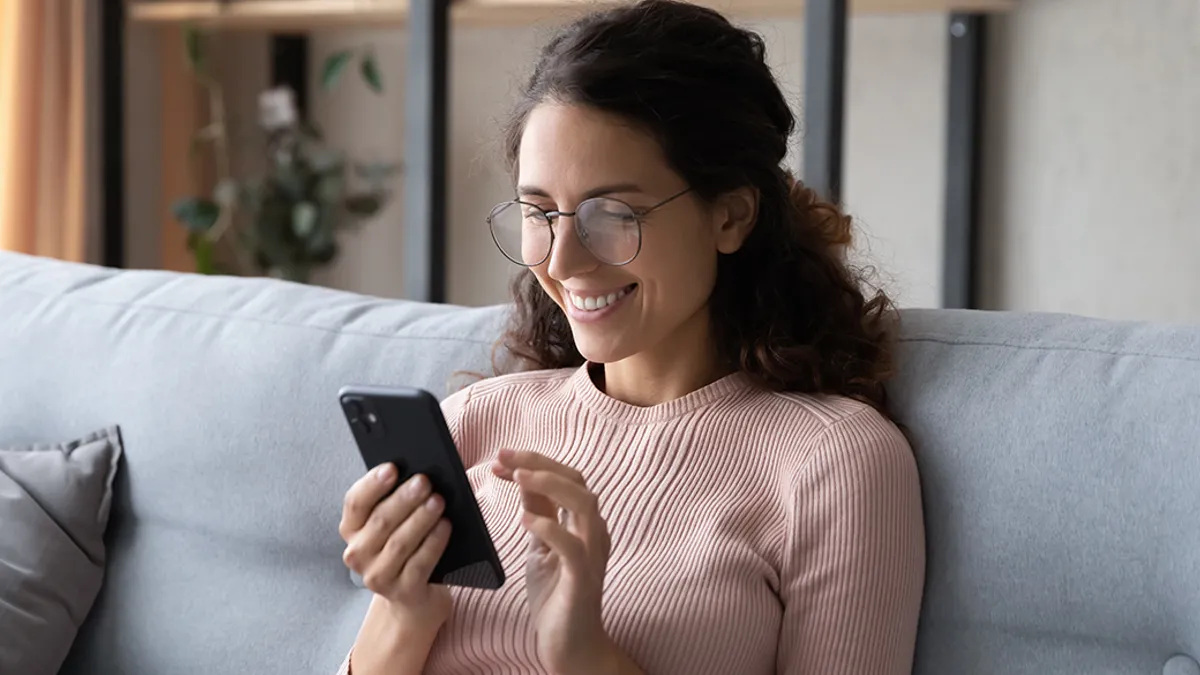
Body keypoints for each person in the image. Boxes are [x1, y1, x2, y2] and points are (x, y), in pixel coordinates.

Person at [335, 1, 925, 673]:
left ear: (731, 216)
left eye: (611, 213)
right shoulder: (474, 423)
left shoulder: (832, 464)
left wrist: (584, 653)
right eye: (539, 212)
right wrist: (404, 612)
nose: (562, 261)